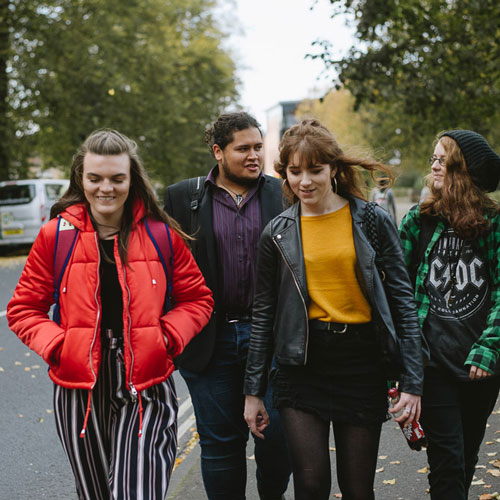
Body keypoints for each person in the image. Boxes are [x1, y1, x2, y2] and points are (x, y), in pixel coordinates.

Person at [7, 129, 214, 500]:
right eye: (95, 178)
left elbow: (197, 299)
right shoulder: (57, 236)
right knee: (96, 493)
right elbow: (24, 308)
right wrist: (58, 345)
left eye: (117, 178)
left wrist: (166, 338)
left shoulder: (160, 234)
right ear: (80, 179)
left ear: (131, 179)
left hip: (147, 385)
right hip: (79, 390)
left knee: (137, 491)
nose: (107, 188)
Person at [244, 119, 427, 500]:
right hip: (301, 367)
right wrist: (253, 392)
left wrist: (412, 381)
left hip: (361, 365)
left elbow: (402, 301)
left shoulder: (370, 220)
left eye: (315, 170)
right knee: (310, 485)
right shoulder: (276, 233)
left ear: (334, 169)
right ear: (285, 173)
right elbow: (264, 314)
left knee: (357, 488)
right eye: (295, 172)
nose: (304, 182)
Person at [164, 112, 291, 500]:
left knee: (277, 439)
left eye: (258, 147)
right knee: (221, 446)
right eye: (243, 149)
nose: (254, 155)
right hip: (209, 340)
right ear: (218, 151)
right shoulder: (182, 197)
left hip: (271, 340)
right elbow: (165, 266)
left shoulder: (282, 193)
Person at [399, 129, 500, 500]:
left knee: (466, 456)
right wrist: (402, 358)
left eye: (443, 160)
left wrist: (490, 346)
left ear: (464, 169)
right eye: (434, 159)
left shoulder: (494, 223)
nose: (435, 166)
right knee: (448, 461)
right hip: (432, 364)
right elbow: (398, 291)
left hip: (481, 365)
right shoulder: (418, 221)